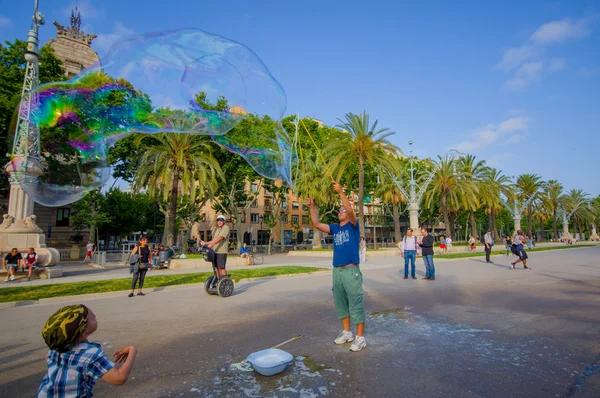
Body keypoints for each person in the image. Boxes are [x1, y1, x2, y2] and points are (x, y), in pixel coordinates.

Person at [307, 181, 366, 352]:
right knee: (341, 304)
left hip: (350, 269)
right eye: (339, 211)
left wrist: (340, 191)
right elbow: (317, 225)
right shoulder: (335, 228)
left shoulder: (353, 226)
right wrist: (311, 207)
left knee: (355, 302)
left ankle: (360, 338)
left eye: (342, 211)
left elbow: (350, 210)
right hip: (337, 271)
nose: (341, 212)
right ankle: (347, 333)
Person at [38, 304, 137, 397]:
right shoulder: (91, 355)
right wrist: (132, 350)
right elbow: (118, 379)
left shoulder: (56, 349)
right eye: (92, 317)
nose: (95, 315)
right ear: (84, 334)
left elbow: (47, 358)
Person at [200, 215, 230, 280]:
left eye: (221, 220)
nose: (219, 222)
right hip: (215, 251)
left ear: (224, 221)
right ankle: (219, 281)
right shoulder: (217, 229)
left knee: (221, 267)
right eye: (218, 221)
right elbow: (214, 240)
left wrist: (212, 244)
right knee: (216, 268)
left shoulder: (226, 228)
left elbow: (220, 238)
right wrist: (206, 243)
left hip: (221, 252)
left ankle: (225, 281)